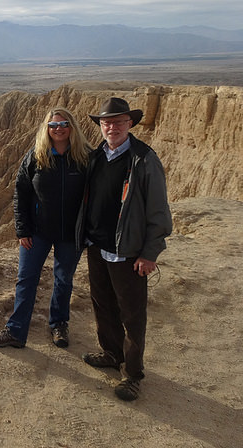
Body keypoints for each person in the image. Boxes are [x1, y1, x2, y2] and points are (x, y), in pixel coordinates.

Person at [76, 97, 172, 402]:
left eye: (118, 121)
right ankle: (111, 353)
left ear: (130, 124)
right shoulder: (96, 157)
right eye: (107, 122)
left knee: (132, 315)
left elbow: (158, 212)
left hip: (128, 252)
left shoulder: (144, 160)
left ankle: (132, 375)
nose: (112, 127)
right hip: (97, 246)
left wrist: (149, 253)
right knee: (102, 304)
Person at [0, 107, 91, 349]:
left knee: (64, 280)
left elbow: (96, 196)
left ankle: (58, 325)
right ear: (46, 129)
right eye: (53, 125)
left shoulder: (85, 157)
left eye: (64, 124)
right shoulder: (36, 156)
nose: (59, 129)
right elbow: (20, 194)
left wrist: (89, 230)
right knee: (26, 279)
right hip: (37, 232)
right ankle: (16, 331)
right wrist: (23, 230)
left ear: (72, 127)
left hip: (70, 235)